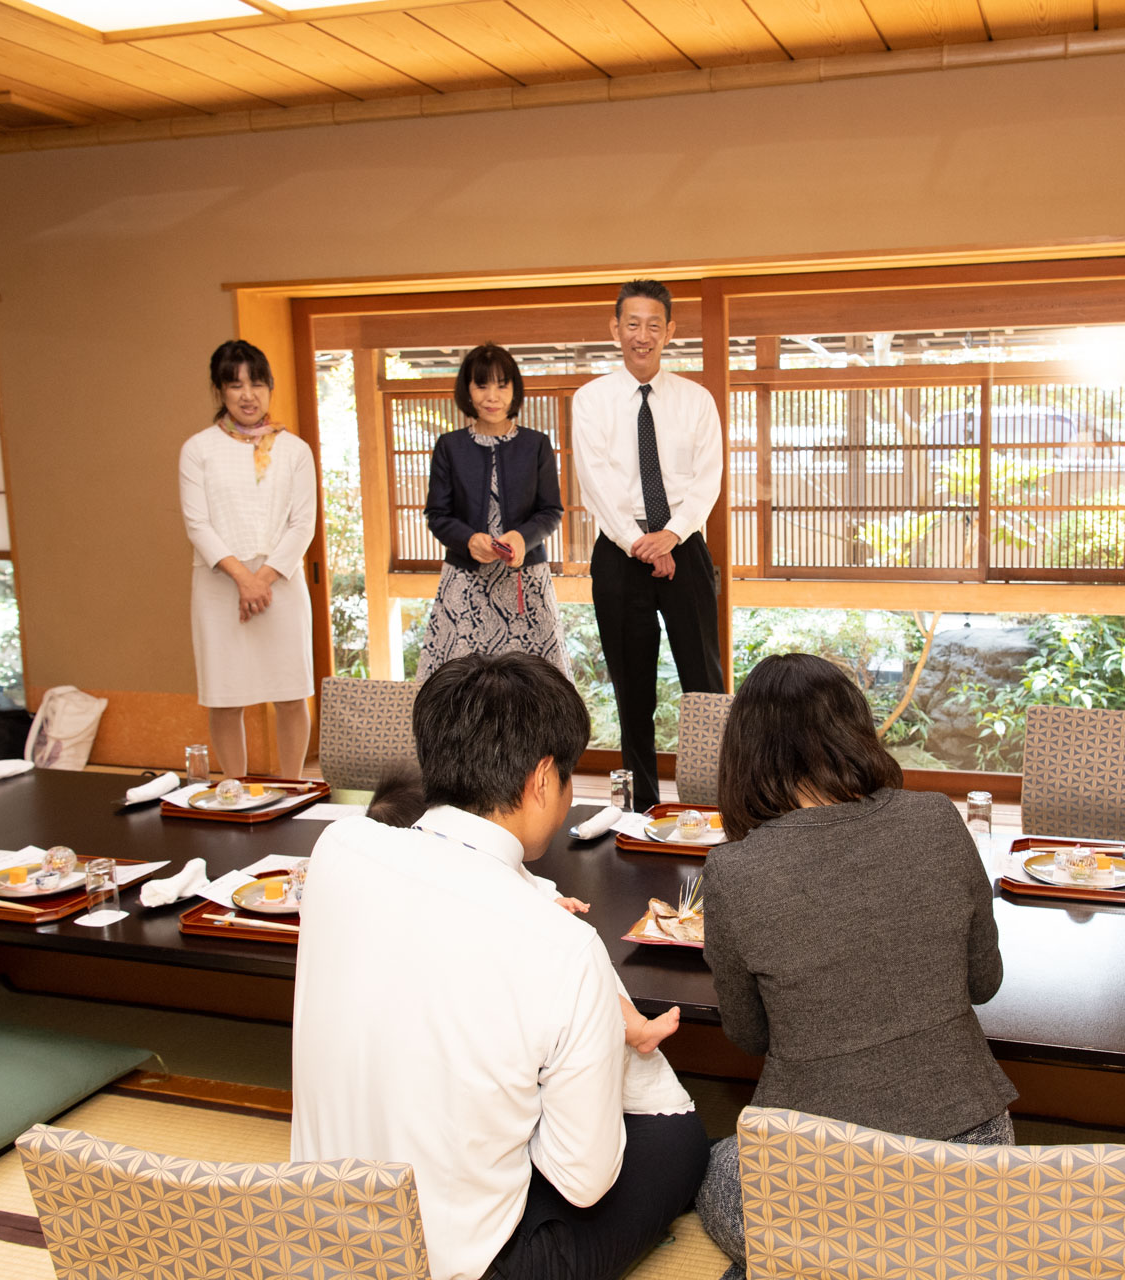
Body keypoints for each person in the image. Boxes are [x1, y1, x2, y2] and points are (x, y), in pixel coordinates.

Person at [291, 652, 707, 1280]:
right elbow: (584, 1183)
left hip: (324, 1231)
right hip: (471, 1266)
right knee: (676, 1139)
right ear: (543, 781)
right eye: (568, 778)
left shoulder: (337, 850)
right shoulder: (564, 947)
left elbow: (447, 881)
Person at [694, 653, 1016, 1276]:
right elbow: (985, 982)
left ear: (746, 757)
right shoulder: (937, 819)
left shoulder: (734, 872)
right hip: (975, 1168)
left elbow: (749, 1035)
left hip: (820, 1175)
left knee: (710, 1165)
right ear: (855, 731)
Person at [571, 280, 724, 812]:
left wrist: (672, 535)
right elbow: (597, 482)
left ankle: (717, 801)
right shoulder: (591, 401)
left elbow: (708, 479)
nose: (642, 335)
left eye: (653, 325)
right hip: (619, 553)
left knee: (705, 683)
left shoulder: (696, 400)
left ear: (670, 331)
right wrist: (641, 541)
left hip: (686, 547)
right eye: (632, 324)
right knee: (632, 689)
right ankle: (643, 812)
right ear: (615, 330)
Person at [177, 340, 316, 780]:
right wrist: (243, 578)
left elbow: (303, 524)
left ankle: (295, 787)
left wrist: (264, 578)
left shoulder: (294, 450)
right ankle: (234, 790)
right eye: (235, 384)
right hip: (220, 586)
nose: (247, 394)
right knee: (225, 696)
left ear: (270, 388)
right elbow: (197, 524)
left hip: (282, 583)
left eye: (257, 383)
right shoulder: (197, 449)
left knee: (292, 694)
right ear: (220, 390)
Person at [414, 343, 569, 684]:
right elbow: (437, 514)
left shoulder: (537, 444)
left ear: (515, 390)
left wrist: (521, 538)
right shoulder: (449, 446)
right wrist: (468, 540)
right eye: (481, 384)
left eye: (502, 384)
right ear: (467, 391)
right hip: (465, 580)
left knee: (533, 687)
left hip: (524, 580)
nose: (492, 395)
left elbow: (551, 511)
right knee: (460, 687)